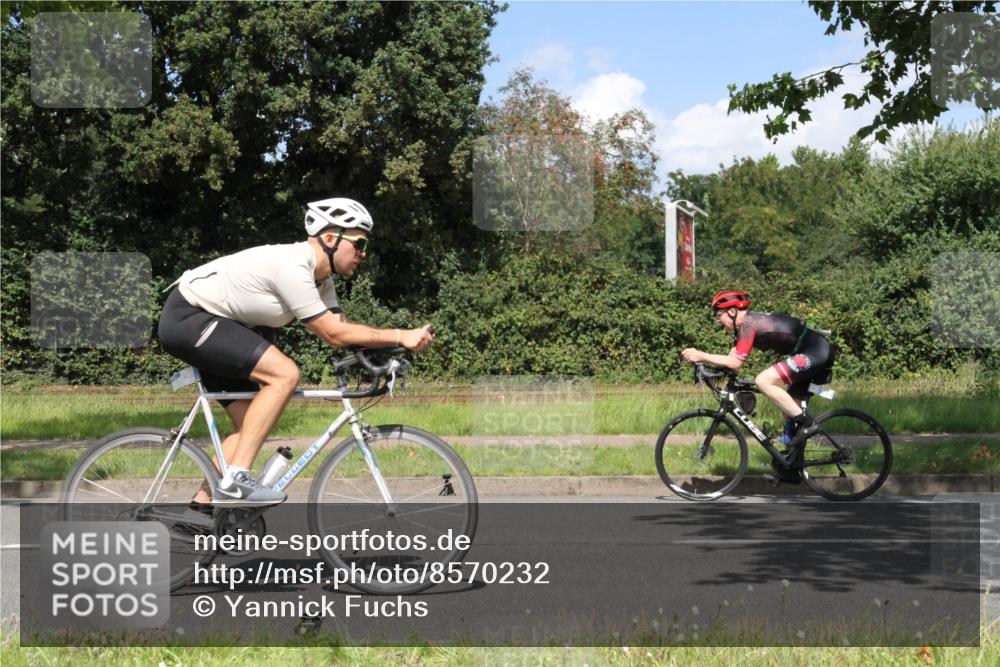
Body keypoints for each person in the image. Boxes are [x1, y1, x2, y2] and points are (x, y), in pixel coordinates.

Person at [158, 197, 434, 505]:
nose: (363, 253)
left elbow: (343, 328)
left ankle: (201, 509)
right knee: (285, 375)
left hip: (215, 324)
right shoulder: (294, 266)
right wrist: (400, 335)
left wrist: (395, 346)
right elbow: (333, 334)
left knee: (251, 424)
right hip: (189, 317)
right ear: (329, 239)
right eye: (359, 243)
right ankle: (236, 478)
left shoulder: (322, 281)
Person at [681, 290, 834, 470]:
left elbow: (735, 362)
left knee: (763, 381)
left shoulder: (748, 324)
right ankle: (792, 468)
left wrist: (700, 355)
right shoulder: (744, 327)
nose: (718, 320)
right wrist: (710, 368)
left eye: (719, 315)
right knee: (790, 411)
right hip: (810, 351)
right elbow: (733, 365)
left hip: (815, 351)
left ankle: (809, 424)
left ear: (732, 312)